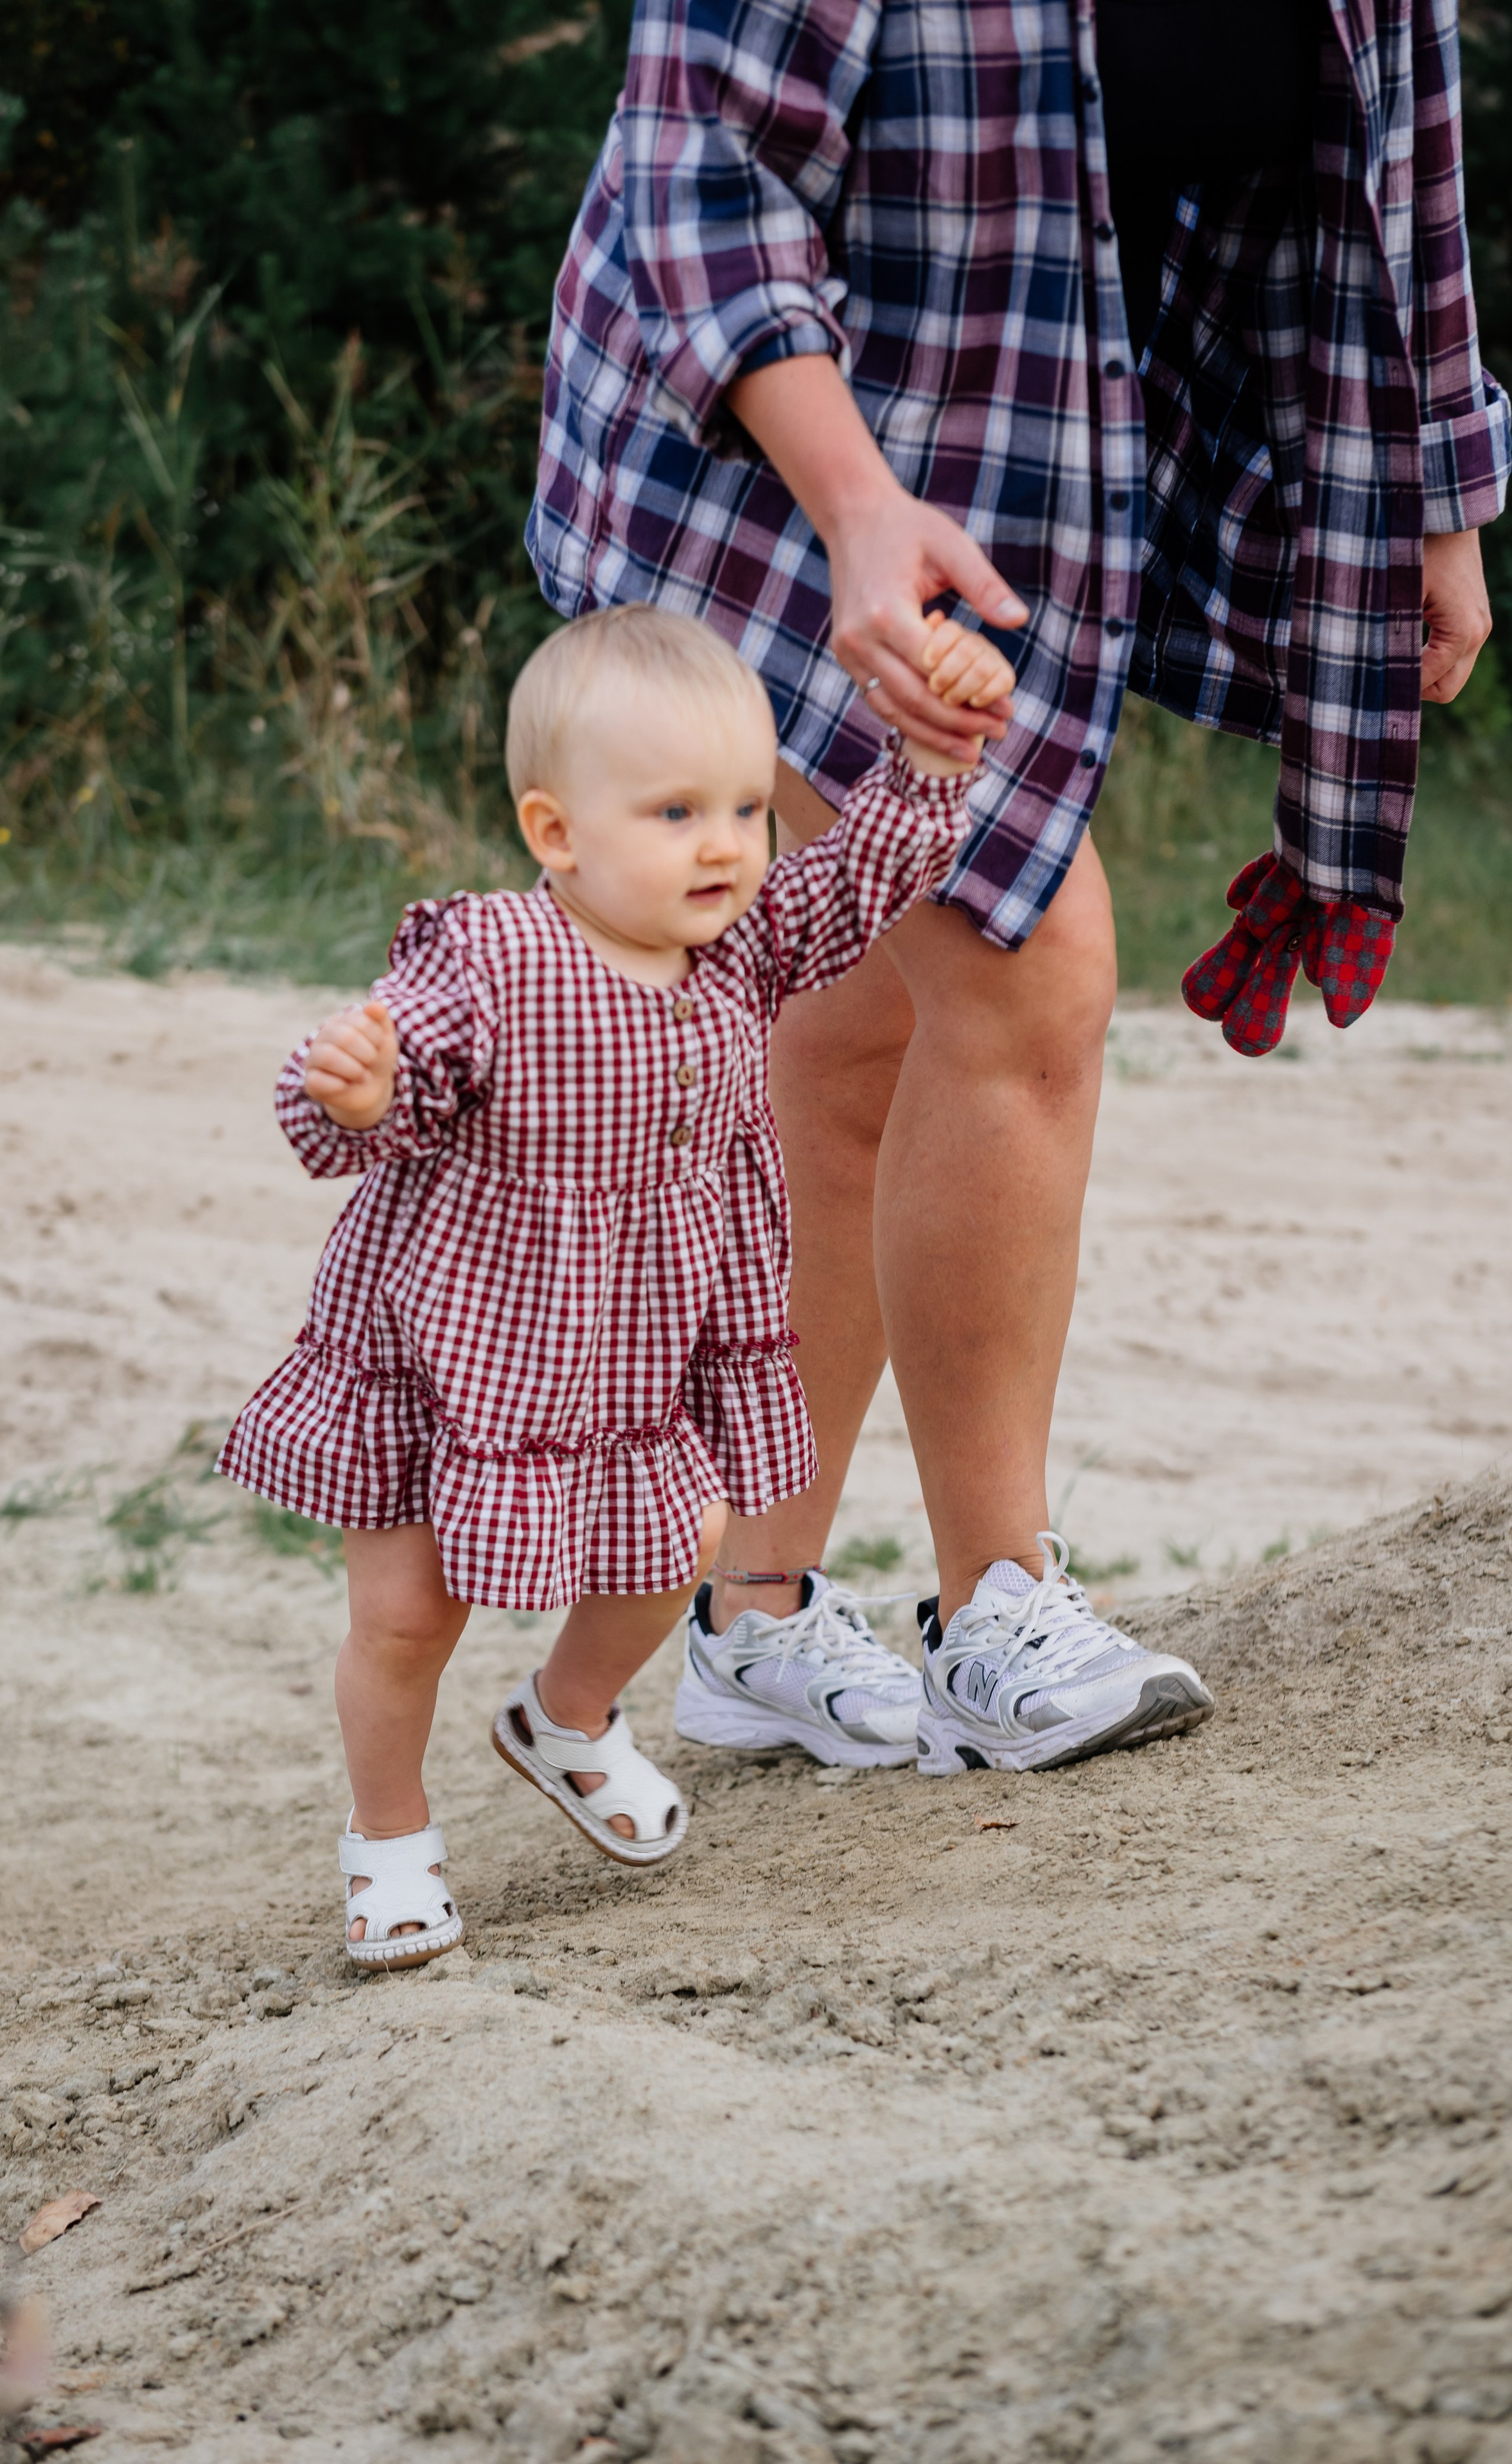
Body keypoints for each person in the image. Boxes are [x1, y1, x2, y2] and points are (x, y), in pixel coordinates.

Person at [529, 0, 1508, 1775]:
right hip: (761, 446)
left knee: (859, 1027)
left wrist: (1441, 501)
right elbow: (701, 175)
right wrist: (855, 509)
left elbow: (1404, 163)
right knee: (1025, 959)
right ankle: (996, 1602)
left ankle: (753, 1612)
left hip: (1025, 445)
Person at [219, 602, 1102, 1965]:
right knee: (405, 1616)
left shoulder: (745, 949)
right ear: (556, 832)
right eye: (677, 812)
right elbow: (377, 1094)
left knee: (682, 1545)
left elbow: (859, 872)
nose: (726, 844)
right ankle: (388, 1836)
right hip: (451, 1350)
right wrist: (355, 1087)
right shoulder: (489, 962)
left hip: (629, 1353)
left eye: (746, 809)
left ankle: (565, 1717)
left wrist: (935, 754)